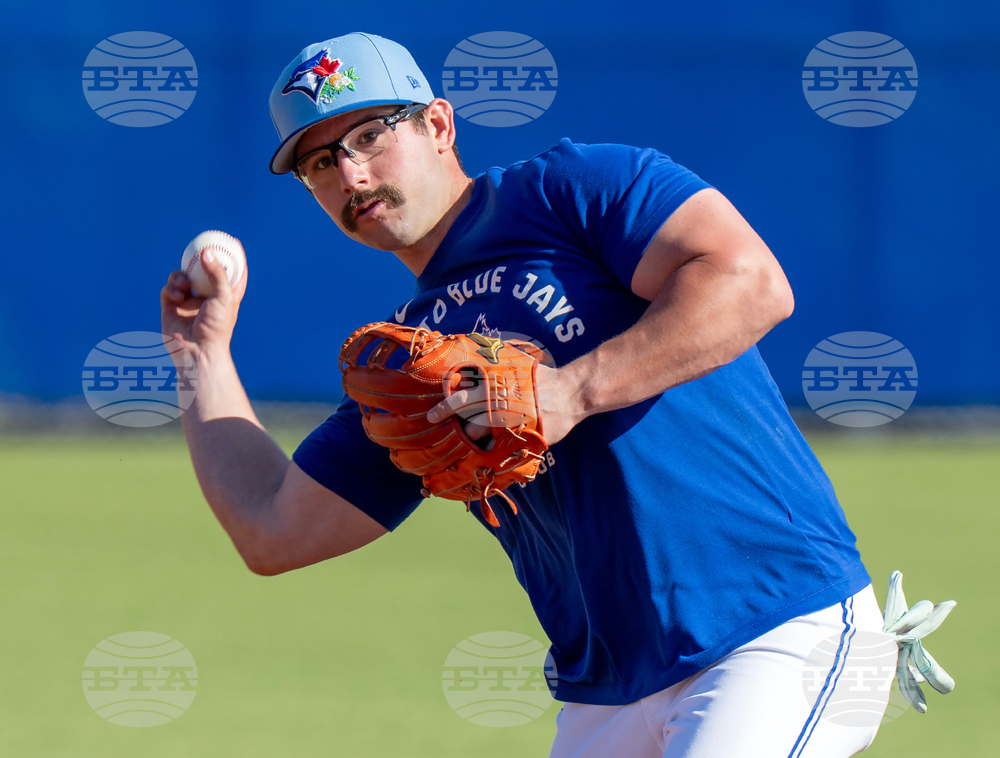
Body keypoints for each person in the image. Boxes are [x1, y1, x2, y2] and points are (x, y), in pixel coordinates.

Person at [161, 32, 892, 757]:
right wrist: (200, 354)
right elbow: (273, 530)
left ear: (439, 125)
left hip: (773, 629)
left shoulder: (573, 190)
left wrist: (570, 390)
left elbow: (752, 282)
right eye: (321, 162)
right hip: (606, 693)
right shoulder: (414, 372)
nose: (351, 175)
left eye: (370, 136)